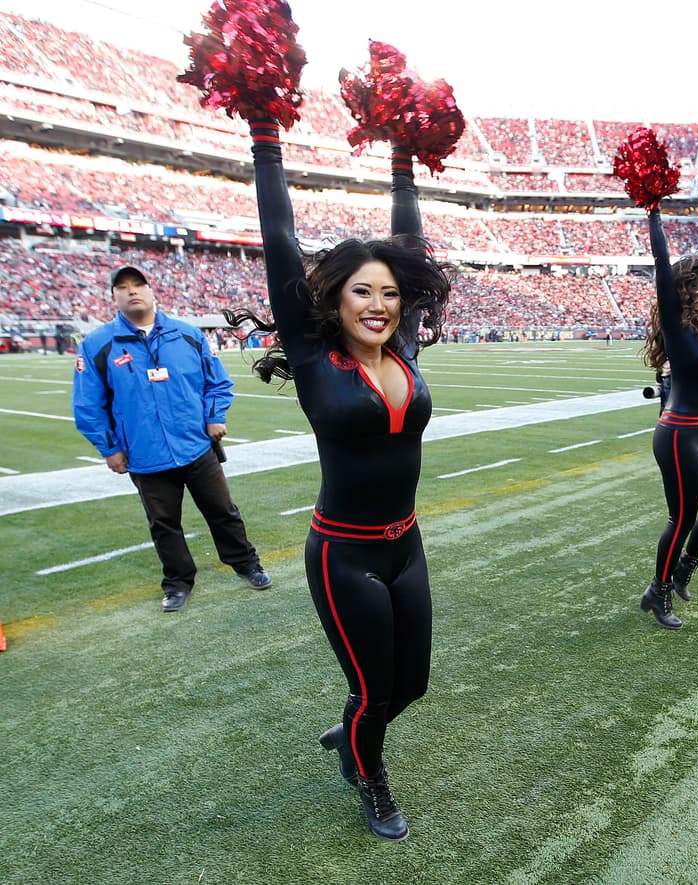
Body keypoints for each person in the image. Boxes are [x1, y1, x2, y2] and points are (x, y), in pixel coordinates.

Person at [229, 120, 451, 841]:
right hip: (343, 553)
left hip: (404, 544)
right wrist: (267, 136)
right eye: (363, 292)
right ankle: (369, 775)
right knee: (373, 689)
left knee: (409, 683)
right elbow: (278, 234)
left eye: (390, 292)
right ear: (335, 299)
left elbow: (409, 244)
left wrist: (404, 162)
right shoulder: (314, 354)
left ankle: (357, 728)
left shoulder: (407, 346)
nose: (380, 304)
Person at [72, 265, 271, 614]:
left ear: (152, 290)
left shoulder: (187, 334)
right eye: (122, 287)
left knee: (223, 512)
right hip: (145, 456)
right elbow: (88, 404)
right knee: (164, 524)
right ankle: (177, 582)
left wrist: (214, 417)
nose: (132, 291)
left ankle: (246, 563)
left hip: (195, 446)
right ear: (113, 297)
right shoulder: (98, 344)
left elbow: (218, 382)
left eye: (139, 284)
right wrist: (110, 448)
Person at [640, 202, 698, 629]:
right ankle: (657, 592)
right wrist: (654, 212)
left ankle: (682, 569)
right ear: (693, 287)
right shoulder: (679, 326)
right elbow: (663, 265)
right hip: (676, 433)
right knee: (682, 516)